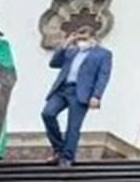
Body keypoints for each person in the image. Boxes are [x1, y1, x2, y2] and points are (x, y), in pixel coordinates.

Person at [41, 26, 113, 167]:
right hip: (62, 89)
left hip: (81, 93)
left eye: (84, 37)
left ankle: (67, 157)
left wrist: (96, 96)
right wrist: (66, 43)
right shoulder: (71, 51)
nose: (80, 40)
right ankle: (58, 149)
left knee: (73, 126)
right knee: (47, 114)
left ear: (93, 38)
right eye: (78, 37)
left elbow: (103, 76)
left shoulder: (103, 54)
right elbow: (54, 63)